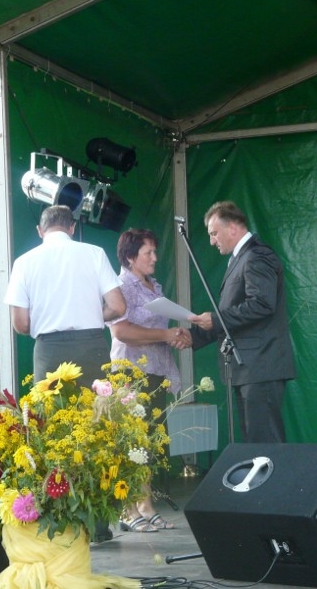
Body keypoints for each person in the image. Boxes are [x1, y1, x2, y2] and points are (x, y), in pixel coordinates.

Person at [4, 204, 126, 543]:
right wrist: (92, 313)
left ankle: (59, 521)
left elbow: (21, 323)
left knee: (51, 431)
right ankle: (98, 524)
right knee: (97, 428)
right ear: (72, 228)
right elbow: (119, 306)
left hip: (49, 351)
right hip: (91, 347)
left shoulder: (24, 262)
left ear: (40, 231)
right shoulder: (94, 253)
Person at [188, 201, 295, 443]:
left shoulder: (257, 255)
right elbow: (233, 314)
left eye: (214, 233)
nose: (212, 241)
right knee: (254, 442)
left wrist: (215, 319)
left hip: (260, 364)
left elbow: (261, 304)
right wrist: (193, 336)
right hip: (248, 367)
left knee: (264, 442)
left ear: (233, 228)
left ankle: (273, 471)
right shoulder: (240, 259)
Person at [107, 228, 190, 532]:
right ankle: (126, 509)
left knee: (149, 441)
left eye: (155, 251)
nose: (155, 258)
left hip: (156, 371)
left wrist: (177, 336)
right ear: (130, 258)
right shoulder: (120, 287)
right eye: (148, 253)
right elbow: (121, 331)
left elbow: (160, 331)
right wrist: (165, 334)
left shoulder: (154, 286)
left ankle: (146, 505)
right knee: (131, 440)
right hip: (130, 371)